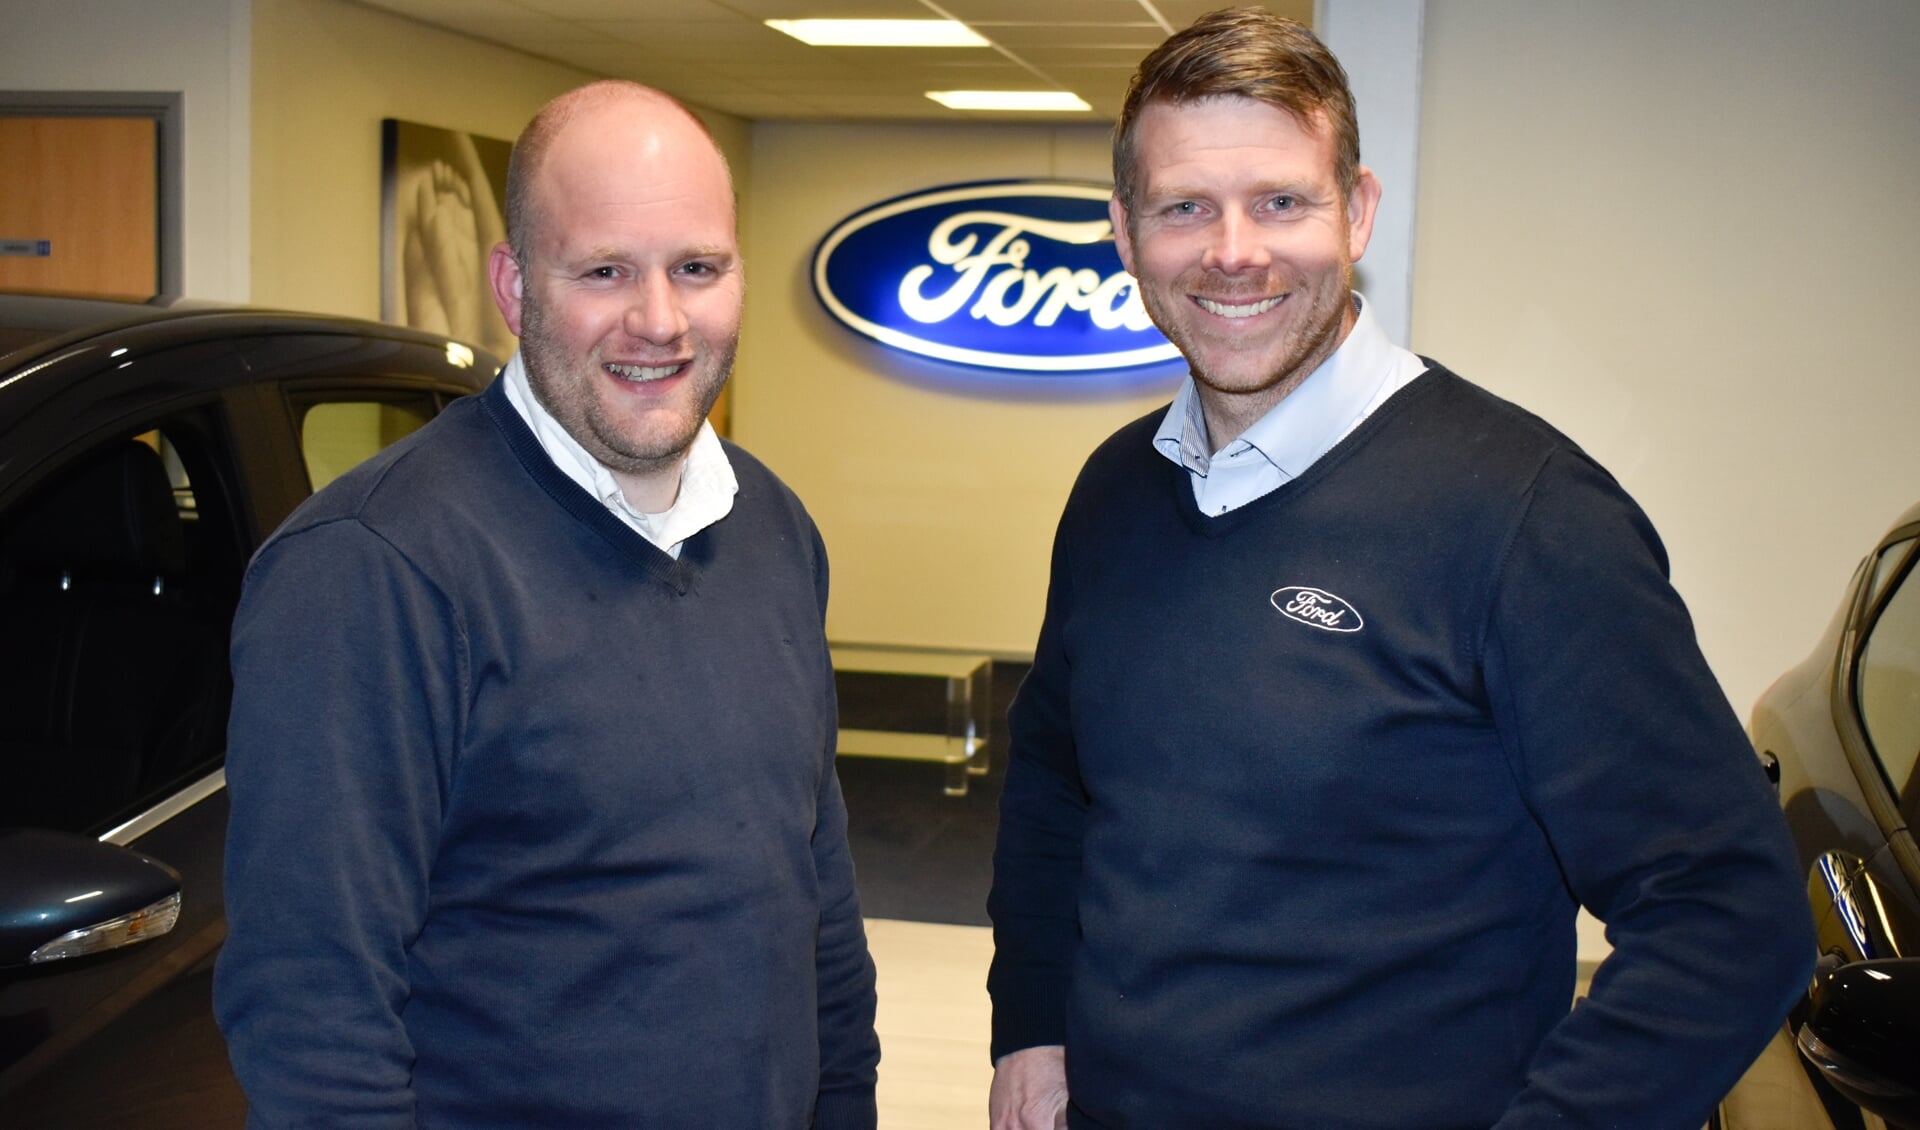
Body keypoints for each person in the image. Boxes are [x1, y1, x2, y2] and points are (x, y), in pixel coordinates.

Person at [986, 9, 1814, 1129]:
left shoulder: (1524, 514)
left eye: (1283, 199)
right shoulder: (1116, 490)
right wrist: (1031, 1019)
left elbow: (1730, 910)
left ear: (1358, 210)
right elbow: (1054, 782)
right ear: (1126, 232)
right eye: (1186, 207)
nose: (1234, 250)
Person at [215, 81, 879, 1128]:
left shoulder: (771, 527)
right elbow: (314, 1009)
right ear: (514, 286)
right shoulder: (374, 569)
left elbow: (817, 903)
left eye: (696, 268)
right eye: (605, 270)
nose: (659, 320)